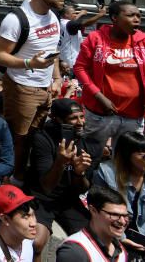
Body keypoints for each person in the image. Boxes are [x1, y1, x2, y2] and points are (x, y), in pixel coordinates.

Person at [72, 2, 145, 159]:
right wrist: (98, 95)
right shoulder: (95, 38)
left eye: (139, 15)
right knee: (91, 155)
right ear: (114, 18)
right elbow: (79, 68)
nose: (137, 19)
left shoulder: (144, 40)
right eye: (131, 15)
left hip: (134, 116)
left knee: (126, 159)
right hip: (101, 114)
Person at [0, 0, 67, 179]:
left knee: (32, 136)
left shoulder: (52, 16)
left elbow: (52, 50)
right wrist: (28, 63)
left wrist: (56, 77)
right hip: (22, 88)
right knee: (17, 137)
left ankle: (19, 174)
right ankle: (10, 178)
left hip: (45, 89)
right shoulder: (16, 20)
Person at [25, 99, 95, 255]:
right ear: (58, 119)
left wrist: (79, 173)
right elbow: (46, 187)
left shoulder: (83, 140)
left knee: (93, 239)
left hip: (68, 201)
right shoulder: (43, 139)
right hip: (42, 199)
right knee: (36, 243)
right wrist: (60, 162)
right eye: (73, 118)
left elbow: (82, 188)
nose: (80, 122)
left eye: (81, 117)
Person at [92, 131, 145, 256]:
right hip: (110, 233)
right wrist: (122, 239)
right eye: (144, 156)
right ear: (127, 155)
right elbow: (99, 211)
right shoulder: (106, 173)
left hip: (143, 238)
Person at [54, 186, 130, 262]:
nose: (122, 221)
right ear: (93, 211)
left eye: (125, 215)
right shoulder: (74, 251)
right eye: (114, 215)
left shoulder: (122, 252)